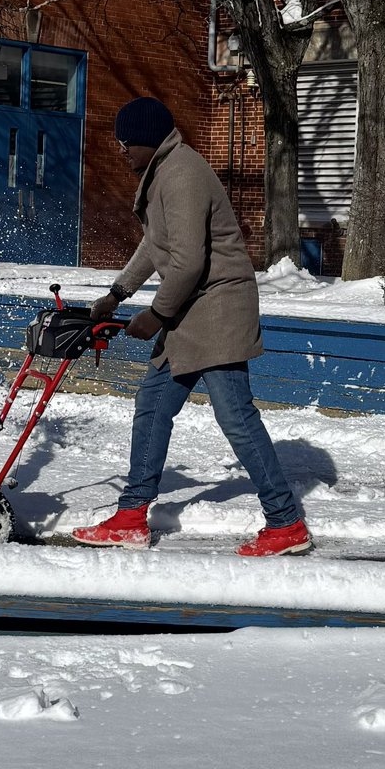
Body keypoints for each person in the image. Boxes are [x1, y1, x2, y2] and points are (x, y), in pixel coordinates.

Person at [72, 96, 312, 557]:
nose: (121, 152)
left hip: (217, 309)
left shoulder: (181, 174)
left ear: (145, 140)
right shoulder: (164, 172)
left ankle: (286, 523)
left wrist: (155, 315)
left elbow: (185, 263)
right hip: (191, 313)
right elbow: (155, 246)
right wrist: (117, 294)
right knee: (153, 406)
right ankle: (130, 517)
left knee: (236, 418)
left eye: (125, 144)